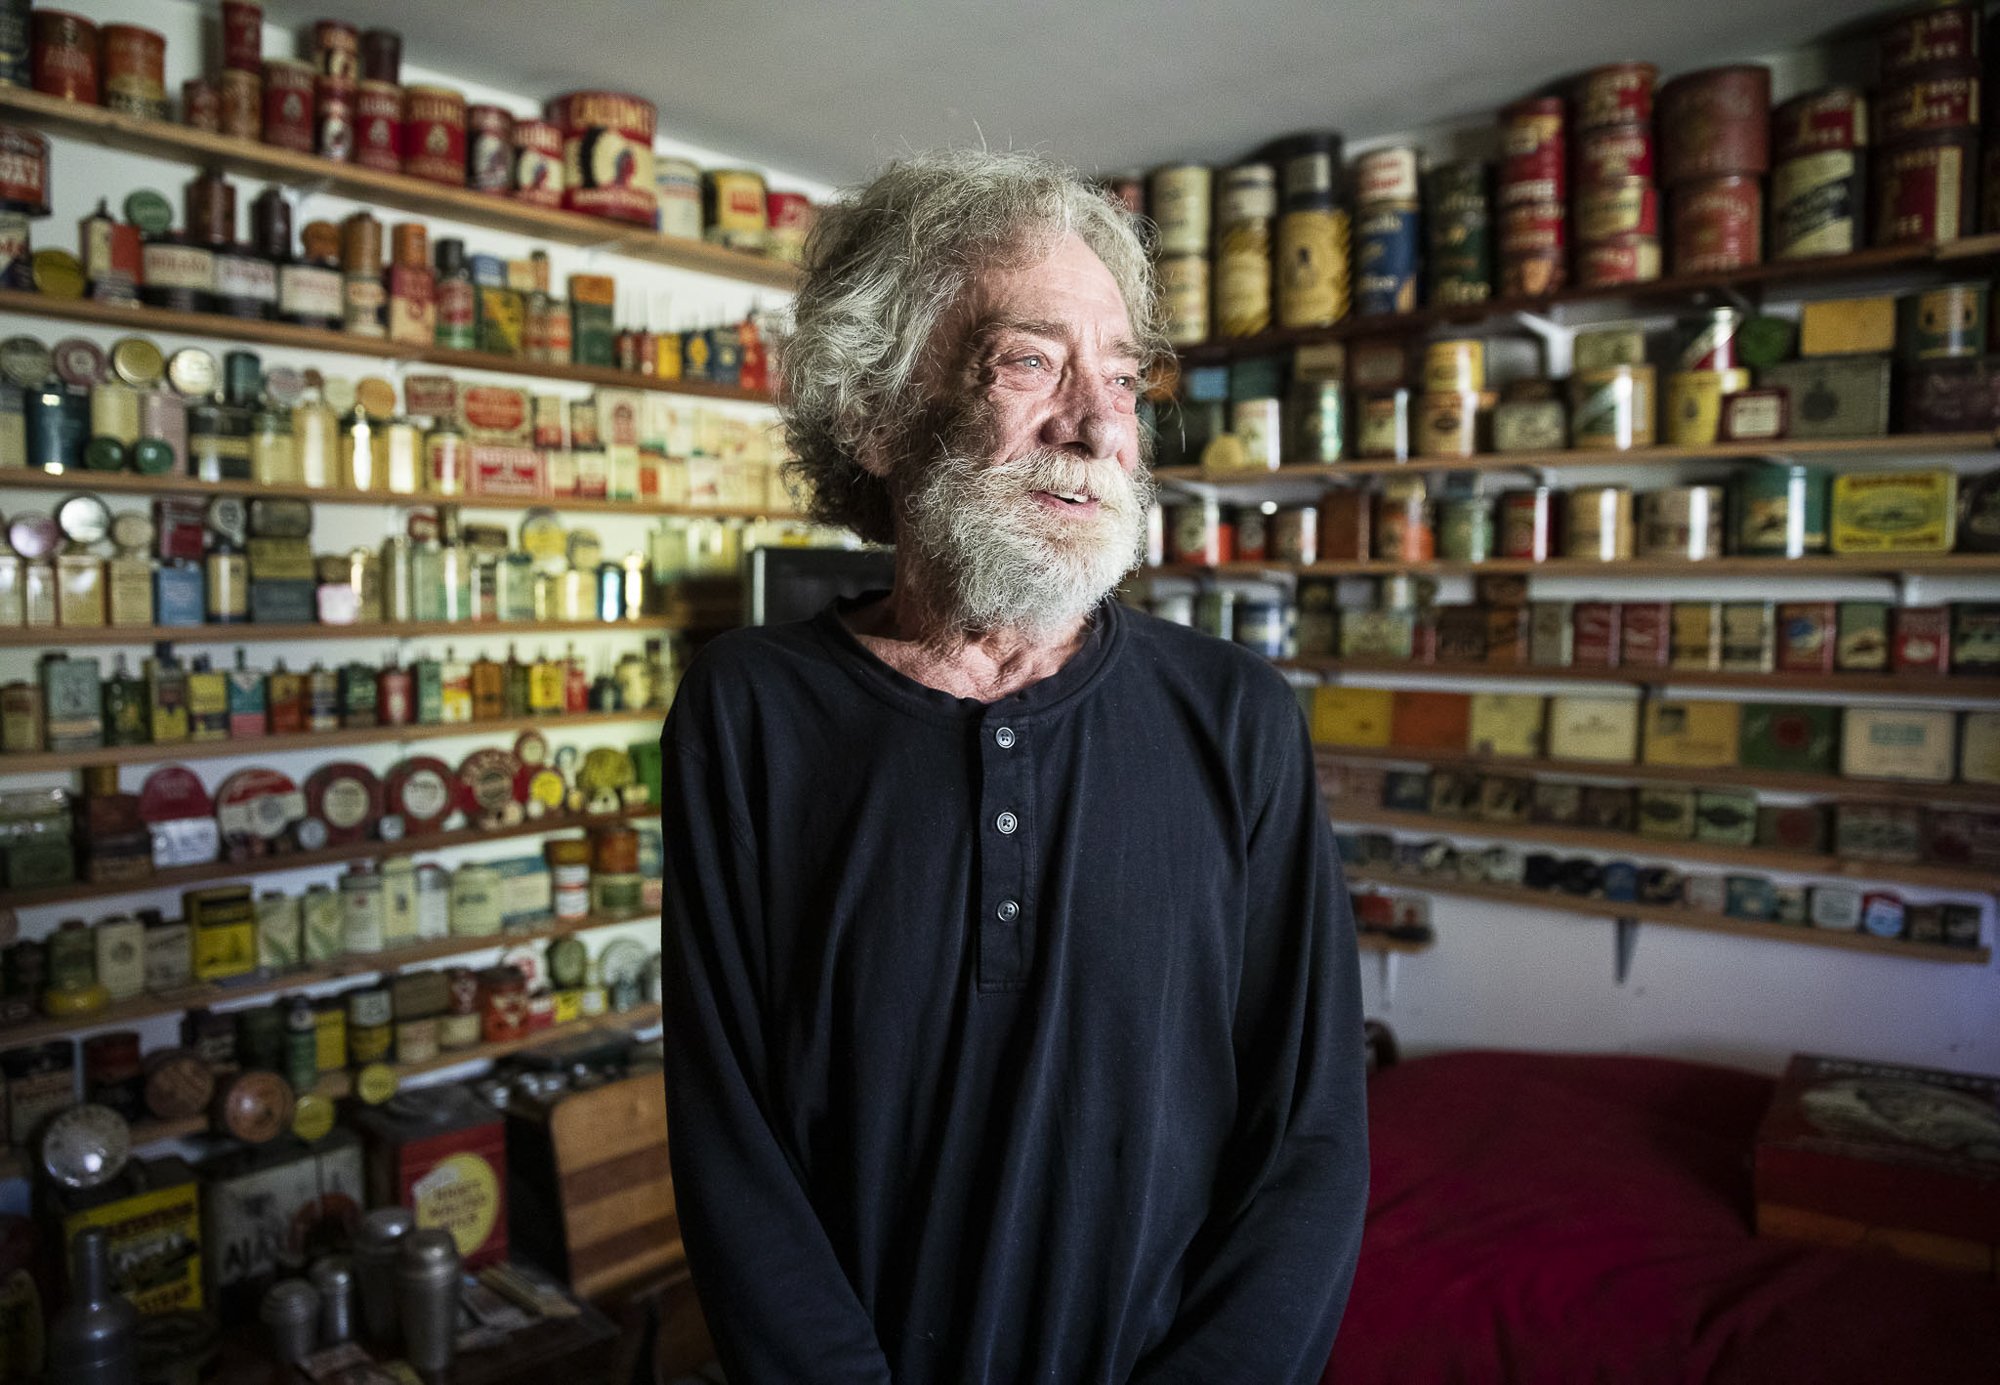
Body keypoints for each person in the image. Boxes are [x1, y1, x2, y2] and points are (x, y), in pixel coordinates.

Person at [659, 149, 1368, 1383]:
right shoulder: (747, 711)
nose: (1097, 425)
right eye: (1029, 362)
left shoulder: (1237, 718)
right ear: (876, 417)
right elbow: (731, 1146)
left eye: (1121, 378)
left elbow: (1308, 1138)